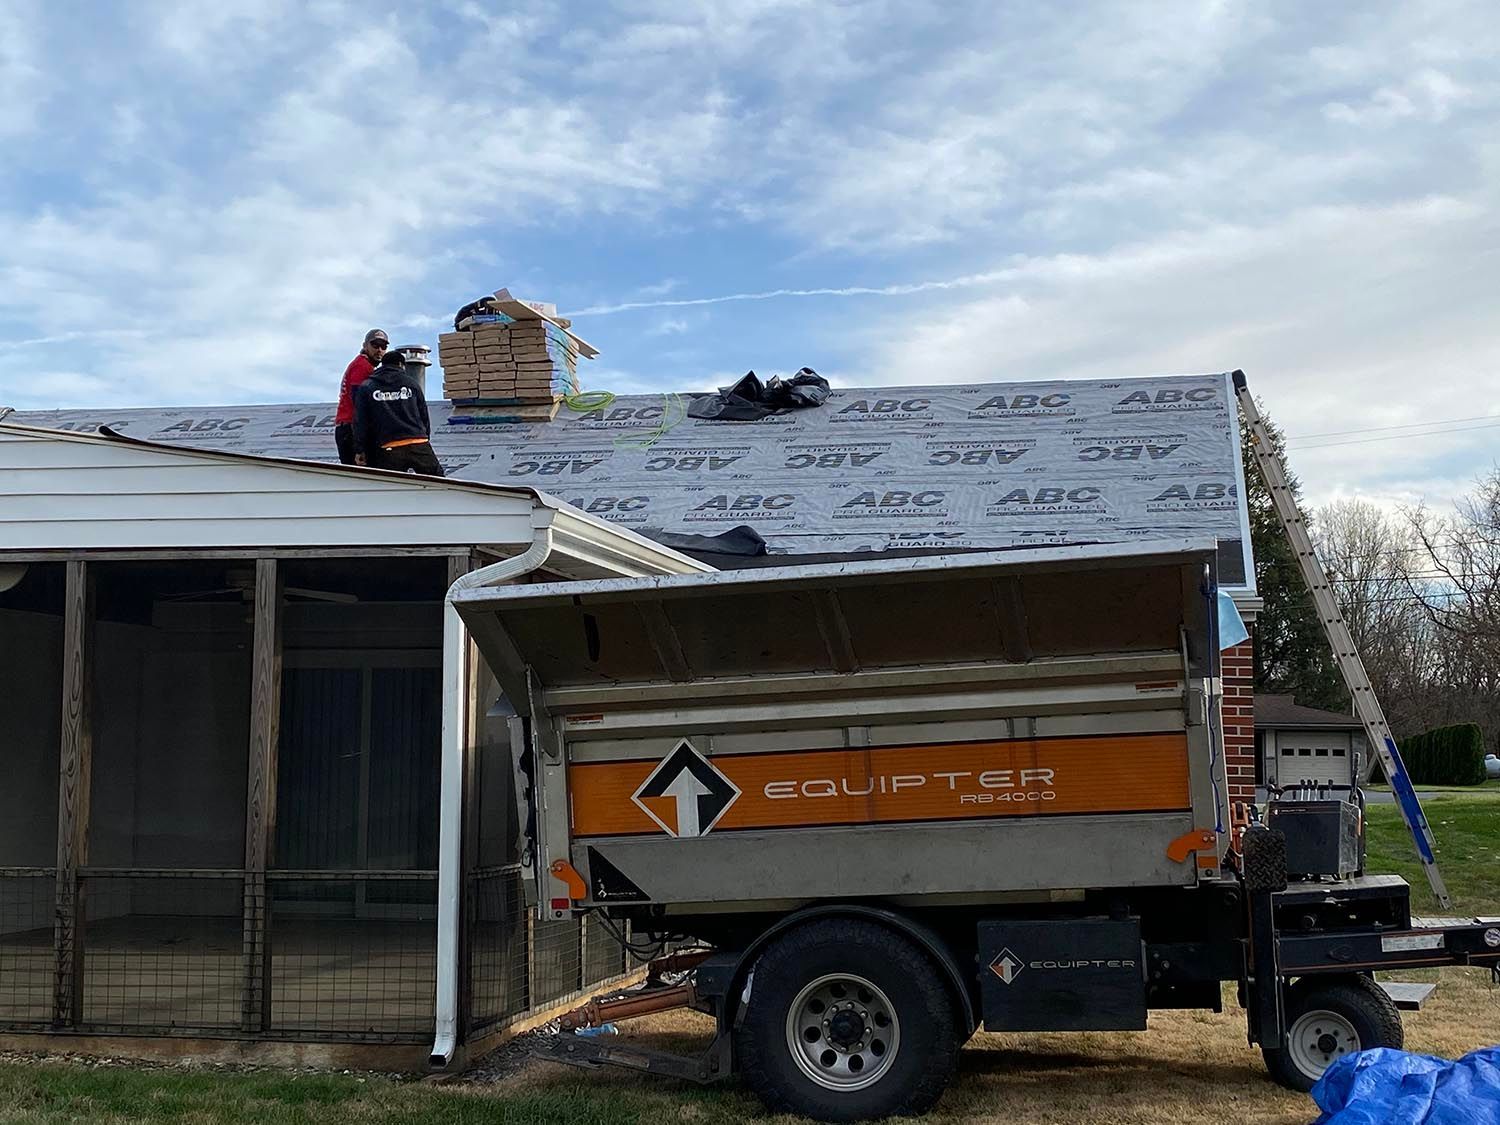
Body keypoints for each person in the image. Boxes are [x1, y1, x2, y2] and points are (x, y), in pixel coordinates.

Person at [351, 347, 445, 475]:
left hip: (389, 447)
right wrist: (424, 438)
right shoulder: (411, 384)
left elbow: (360, 422)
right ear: (402, 365)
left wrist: (360, 449)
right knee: (439, 486)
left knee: (392, 491)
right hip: (418, 442)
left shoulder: (367, 386)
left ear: (383, 365)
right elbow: (424, 415)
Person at [334, 329, 389, 464]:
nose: (379, 350)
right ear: (365, 346)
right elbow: (359, 402)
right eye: (375, 345)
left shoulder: (363, 365)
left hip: (350, 428)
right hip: (352, 429)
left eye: (383, 347)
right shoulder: (362, 366)